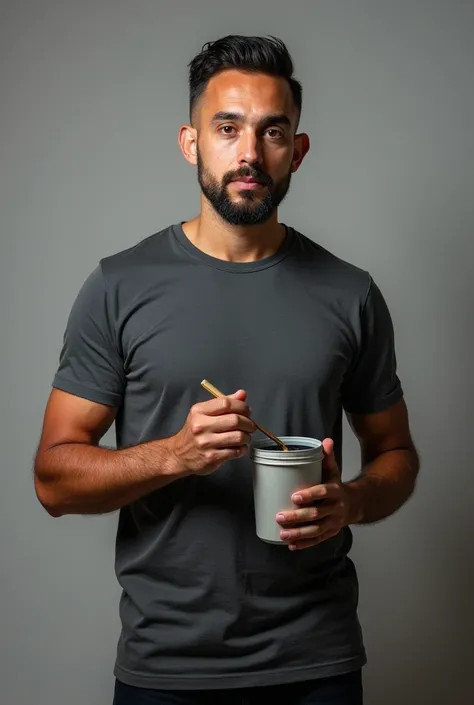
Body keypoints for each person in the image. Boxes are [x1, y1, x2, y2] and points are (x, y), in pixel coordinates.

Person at [34, 34, 419, 705]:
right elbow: (53, 481)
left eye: (272, 131)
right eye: (227, 128)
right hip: (168, 666)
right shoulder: (118, 286)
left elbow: (395, 453)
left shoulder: (349, 292)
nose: (249, 152)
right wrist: (173, 455)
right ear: (191, 143)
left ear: (296, 150)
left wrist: (350, 501)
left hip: (316, 661)